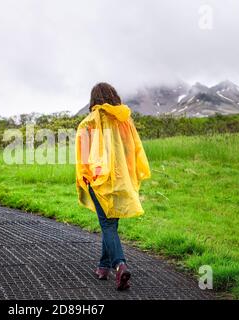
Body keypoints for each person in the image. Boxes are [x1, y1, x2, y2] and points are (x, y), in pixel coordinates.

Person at [75, 82, 151, 290]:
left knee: (107, 225)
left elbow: (83, 159)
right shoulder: (125, 120)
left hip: (100, 181)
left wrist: (86, 179)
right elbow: (133, 150)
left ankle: (119, 265)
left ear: (93, 99)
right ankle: (103, 266)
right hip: (121, 179)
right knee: (111, 225)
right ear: (114, 96)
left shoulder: (87, 123)